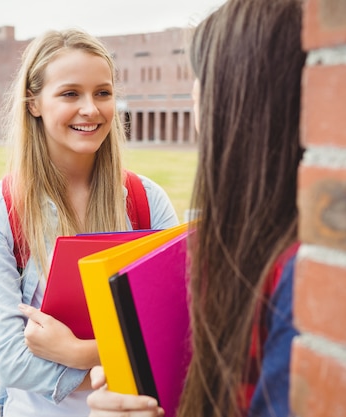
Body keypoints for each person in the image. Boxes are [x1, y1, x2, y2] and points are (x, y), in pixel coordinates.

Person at [86, 0, 306, 416]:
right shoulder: (252, 246)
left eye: (200, 76)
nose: (193, 92)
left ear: (238, 96)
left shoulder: (296, 276)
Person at [0, 29, 179, 417]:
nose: (91, 109)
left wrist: (76, 351)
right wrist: (121, 359)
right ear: (34, 104)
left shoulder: (147, 199)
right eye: (70, 94)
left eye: (103, 92)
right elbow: (9, 360)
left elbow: (179, 331)